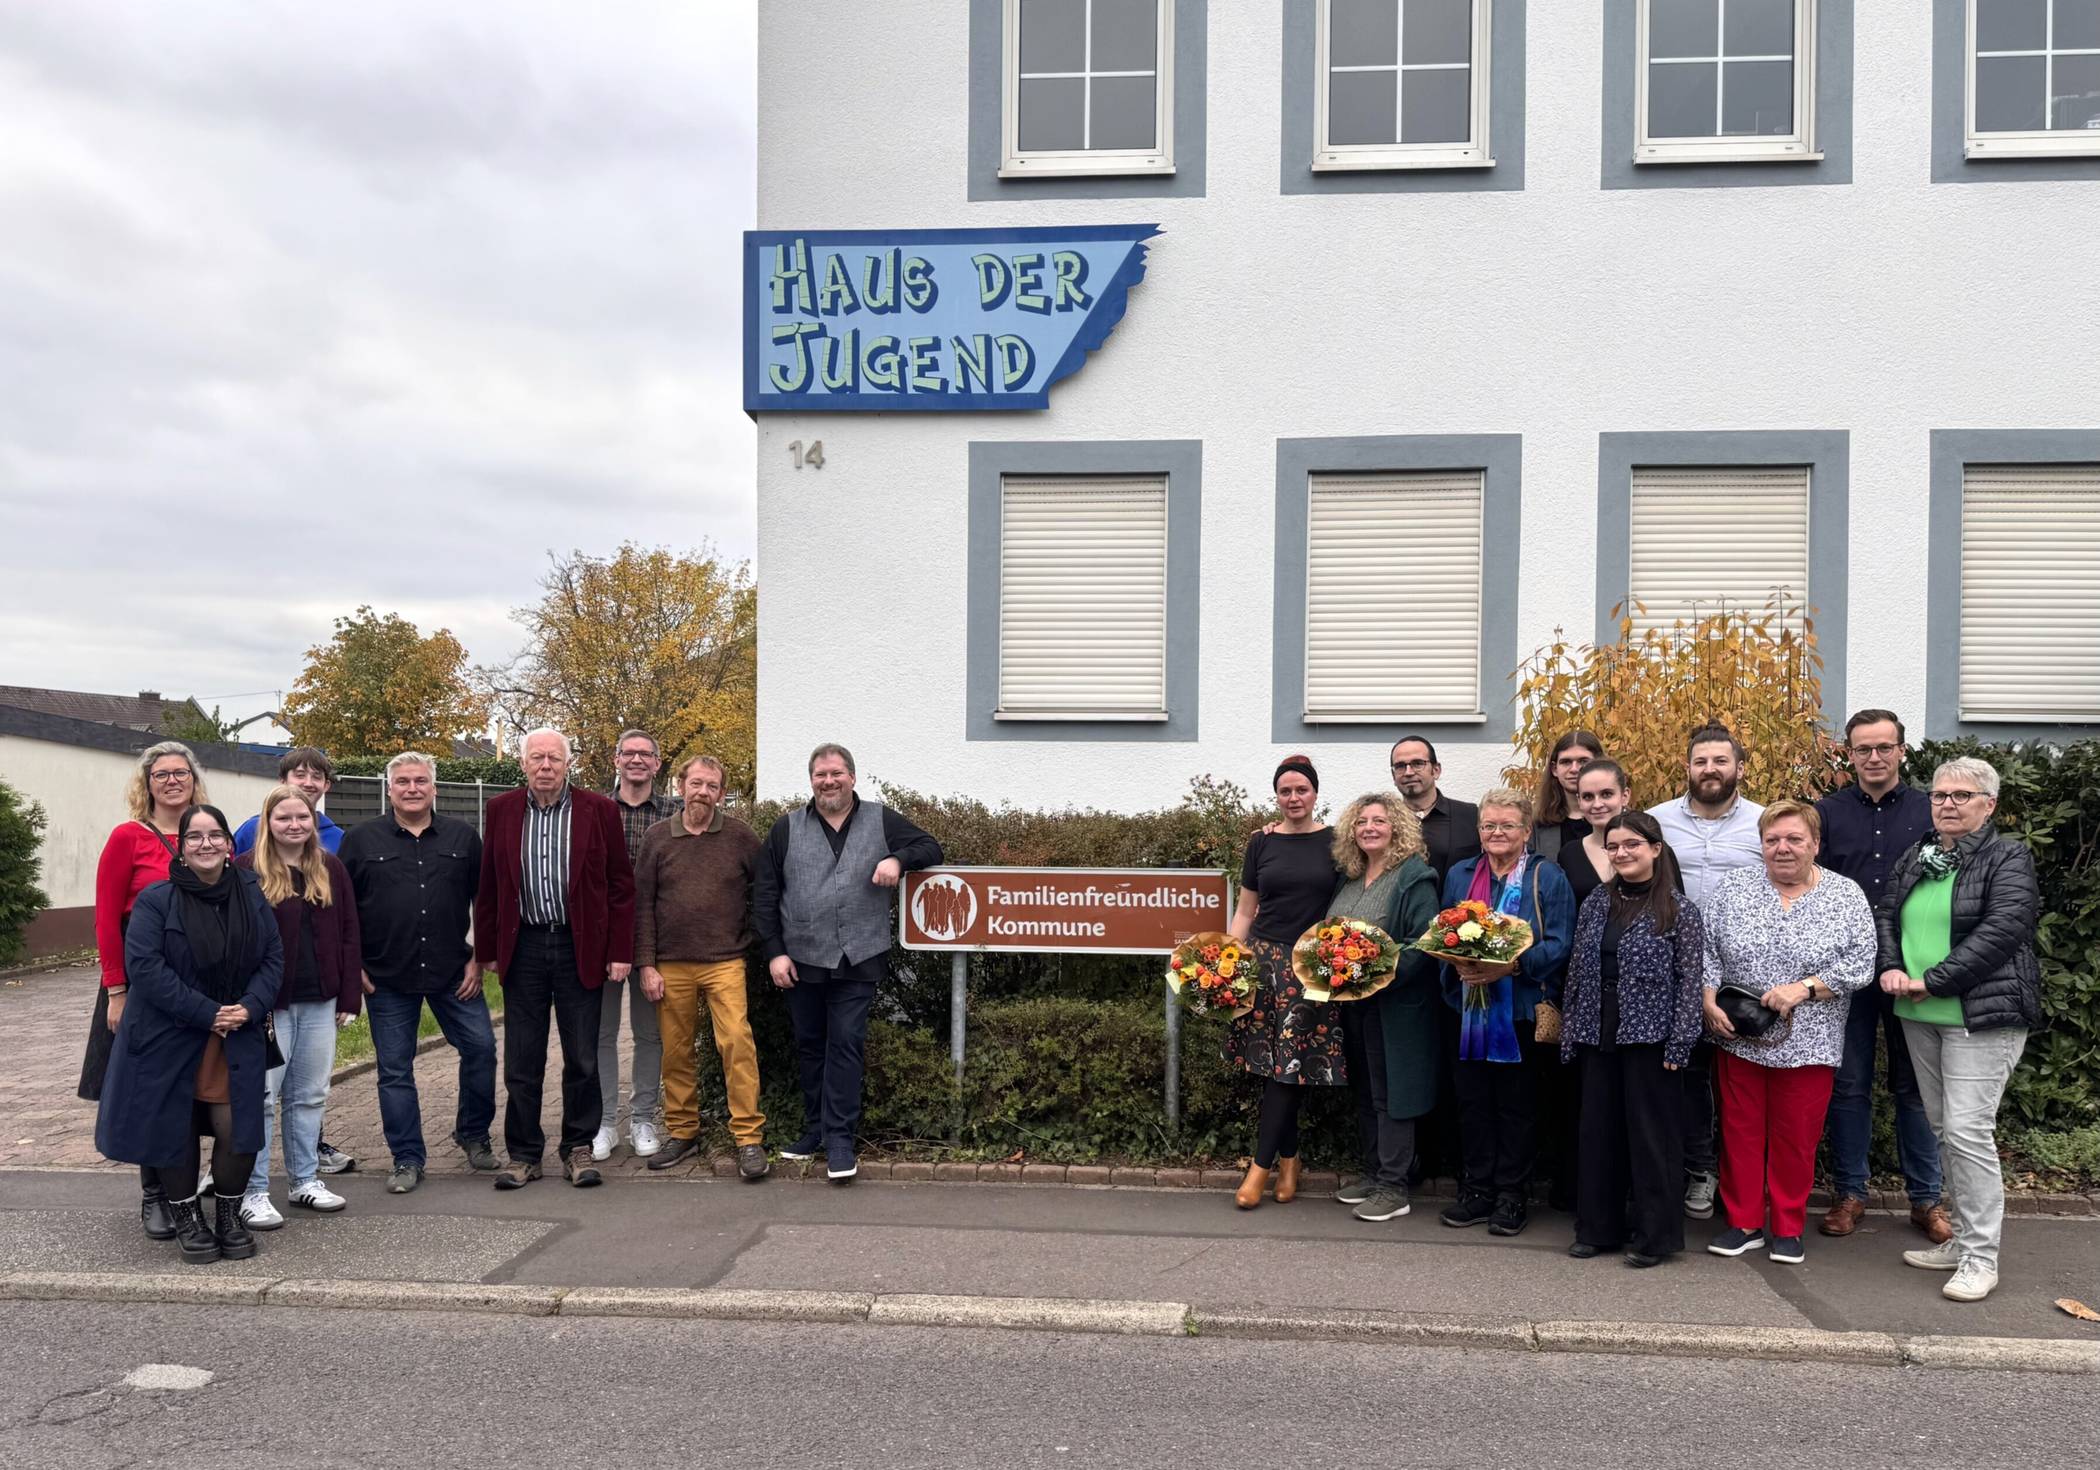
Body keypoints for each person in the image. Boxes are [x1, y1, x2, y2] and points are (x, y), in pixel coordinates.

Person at [1876, 757, 2041, 1303]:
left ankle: (1980, 1258)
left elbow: (2002, 930)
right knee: (1946, 1129)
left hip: (1979, 1017)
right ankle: (1963, 1240)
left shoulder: (2007, 857)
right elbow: (1887, 915)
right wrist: (1891, 967)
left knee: (1969, 1133)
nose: (1947, 803)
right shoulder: (1919, 855)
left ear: (1989, 805)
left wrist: (1934, 980)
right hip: (1920, 1014)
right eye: (1940, 795)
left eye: (1961, 796)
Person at [95, 805, 282, 1265]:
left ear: (229, 844)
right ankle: (188, 1219)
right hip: (170, 1031)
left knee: (238, 1127)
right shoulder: (157, 899)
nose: (206, 844)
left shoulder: (251, 891)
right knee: (173, 1125)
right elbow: (145, 968)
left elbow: (273, 957)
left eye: (215, 834)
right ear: (180, 847)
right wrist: (206, 1013)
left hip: (235, 1031)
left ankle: (229, 1217)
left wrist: (251, 1005)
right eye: (194, 836)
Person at [754, 742, 943, 1182]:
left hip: (859, 956)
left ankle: (840, 1139)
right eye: (820, 775)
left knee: (845, 1043)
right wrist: (775, 951)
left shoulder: (881, 819)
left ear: (852, 777)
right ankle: (815, 1129)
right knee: (809, 1045)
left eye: (836, 773)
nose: (829, 781)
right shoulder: (786, 828)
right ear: (811, 781)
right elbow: (765, 894)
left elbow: (930, 847)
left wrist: (898, 859)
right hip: (801, 957)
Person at [1699, 801, 1876, 1266]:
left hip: (1811, 1040)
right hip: (1739, 1034)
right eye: (1772, 839)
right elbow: (1707, 949)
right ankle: (1743, 1222)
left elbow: (1862, 962)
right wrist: (1707, 999)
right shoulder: (1734, 887)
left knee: (1796, 1136)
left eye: (1794, 839)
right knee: (1739, 1131)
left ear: (1815, 844)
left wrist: (1806, 988)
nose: (1783, 848)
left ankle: (1787, 1225)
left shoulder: (1845, 895)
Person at [478, 728, 636, 1190]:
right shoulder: (501, 809)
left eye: (554, 758)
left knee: (582, 1056)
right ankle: (524, 1155)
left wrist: (620, 951)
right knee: (522, 1060)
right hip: (523, 946)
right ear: (523, 764)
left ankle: (578, 1148)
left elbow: (620, 886)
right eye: (537, 758)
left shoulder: (599, 810)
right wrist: (487, 950)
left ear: (568, 764)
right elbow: (489, 885)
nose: (545, 766)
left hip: (578, 946)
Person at [1813, 709, 1947, 1243]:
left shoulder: (1928, 811)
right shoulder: (1826, 813)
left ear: (1901, 751)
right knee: (1849, 1085)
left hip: (1910, 969)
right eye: (1863, 749)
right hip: (1844, 971)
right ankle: (1850, 1193)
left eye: (1883, 747)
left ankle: (1926, 1199)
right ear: (1849, 754)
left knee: (1916, 1086)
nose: (1874, 757)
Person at [339, 751, 495, 1194]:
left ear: (434, 788)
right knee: (394, 1070)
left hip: (453, 971)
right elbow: (341, 909)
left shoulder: (463, 837)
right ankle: (407, 1158)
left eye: (420, 781)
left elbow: (485, 902)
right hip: (386, 976)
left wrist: (479, 957)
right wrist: (353, 964)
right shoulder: (360, 840)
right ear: (389, 789)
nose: (412, 788)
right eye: (403, 782)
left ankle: (473, 1134)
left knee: (482, 1049)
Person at [1561, 812, 1704, 1267]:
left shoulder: (1680, 910)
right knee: (1598, 1132)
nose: (1622, 853)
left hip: (1652, 1037)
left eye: (1632, 845)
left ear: (1655, 849)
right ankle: (1597, 1229)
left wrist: (1681, 1041)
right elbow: (1578, 968)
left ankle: (1654, 1237)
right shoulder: (1597, 901)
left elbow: (1689, 981)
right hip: (1597, 1030)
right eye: (1614, 846)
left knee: (1651, 1138)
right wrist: (1570, 1030)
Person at [1436, 788, 1575, 1238]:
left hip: (1519, 1012)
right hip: (1467, 1011)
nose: (1497, 832)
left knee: (1517, 1108)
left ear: (1526, 831)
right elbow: (1443, 931)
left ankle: (1512, 1195)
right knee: (1472, 1104)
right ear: (1479, 831)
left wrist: (1512, 966)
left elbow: (1560, 943)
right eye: (1489, 825)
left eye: (1507, 825)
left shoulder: (1546, 876)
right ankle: (1477, 1191)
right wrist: (1457, 963)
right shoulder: (1460, 874)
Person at [82, 740, 204, 1241]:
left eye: (181, 773)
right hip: (141, 983)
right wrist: (117, 990)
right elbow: (107, 919)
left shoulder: (204, 835)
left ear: (194, 781)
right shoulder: (127, 837)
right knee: (148, 1089)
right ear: (147, 784)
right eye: (162, 774)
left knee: (190, 1090)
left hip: (196, 983)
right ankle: (154, 1194)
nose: (172, 781)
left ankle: (186, 1190)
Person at [1649, 724, 1765, 1222]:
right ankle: (1699, 1170)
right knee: (1688, 1076)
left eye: (1721, 761)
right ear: (1688, 767)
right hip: (1674, 971)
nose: (1710, 770)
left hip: (1747, 975)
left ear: (1739, 767)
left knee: (1744, 1083)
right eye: (1701, 761)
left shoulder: (1763, 822)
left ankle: (1746, 1181)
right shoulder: (1658, 821)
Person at [231, 786, 361, 1229]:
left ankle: (304, 1180)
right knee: (262, 1097)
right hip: (269, 1005)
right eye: (283, 817)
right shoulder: (246, 870)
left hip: (320, 1000)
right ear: (267, 822)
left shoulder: (330, 867)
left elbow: (349, 932)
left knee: (309, 1095)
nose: (294, 825)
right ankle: (253, 1190)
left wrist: (349, 995)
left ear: (313, 821)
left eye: (302, 817)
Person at [635, 753, 768, 1180]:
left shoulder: (740, 836)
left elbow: (765, 888)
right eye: (696, 784)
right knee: (676, 1051)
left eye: (712, 786)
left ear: (722, 794)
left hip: (725, 961)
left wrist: (754, 936)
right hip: (671, 964)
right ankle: (683, 1131)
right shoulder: (657, 837)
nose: (703, 792)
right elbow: (643, 904)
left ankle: (748, 1138)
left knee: (737, 1045)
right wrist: (646, 964)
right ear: (680, 786)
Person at [1225, 757, 1342, 1209]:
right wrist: (1228, 963)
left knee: (1287, 1067)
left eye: (1301, 790)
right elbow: (1245, 910)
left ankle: (1259, 1167)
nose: (1294, 798)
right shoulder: (1261, 842)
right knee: (1272, 1066)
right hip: (1263, 963)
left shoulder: (1336, 842)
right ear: (1276, 796)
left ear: (1315, 794)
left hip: (1309, 967)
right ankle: (1290, 1161)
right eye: (1285, 791)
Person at [1327, 793, 1441, 1224]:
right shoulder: (1351, 877)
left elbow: (1423, 943)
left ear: (1397, 827)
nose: (1369, 828)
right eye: (1361, 822)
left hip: (1395, 1006)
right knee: (1366, 1092)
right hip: (1353, 1005)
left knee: (1394, 1095)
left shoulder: (1414, 877)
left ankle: (1394, 1187)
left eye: (1379, 820)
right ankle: (1375, 1174)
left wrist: (1373, 972)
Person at [595, 729, 681, 1162]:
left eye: (645, 754)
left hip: (655, 941)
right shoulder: (594, 809)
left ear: (657, 763)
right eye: (628, 753)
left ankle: (643, 1118)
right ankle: (605, 1122)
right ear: (616, 760)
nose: (636, 760)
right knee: (601, 1033)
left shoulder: (674, 813)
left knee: (650, 1035)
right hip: (602, 940)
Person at [1389, 736, 1480, 886]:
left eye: (1418, 763)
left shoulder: (1470, 816)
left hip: (1457, 901)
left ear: (1436, 770)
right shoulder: (1383, 821)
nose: (1408, 772)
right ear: (1393, 776)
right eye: (1400, 766)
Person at [231, 747, 344, 856]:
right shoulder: (252, 829)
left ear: (326, 785)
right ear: (283, 781)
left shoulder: (339, 838)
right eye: (300, 775)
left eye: (316, 777)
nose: (308, 783)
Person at [1559, 759, 1632, 909]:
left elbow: (1674, 910)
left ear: (1624, 796)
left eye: (1606, 794)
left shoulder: (1650, 849)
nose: (1597, 804)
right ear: (1579, 801)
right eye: (1588, 797)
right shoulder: (1569, 854)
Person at [1530, 731, 1604, 863]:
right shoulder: (1536, 825)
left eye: (1583, 761)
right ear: (1554, 769)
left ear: (1599, 765)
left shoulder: (1621, 821)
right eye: (1566, 762)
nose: (1574, 769)